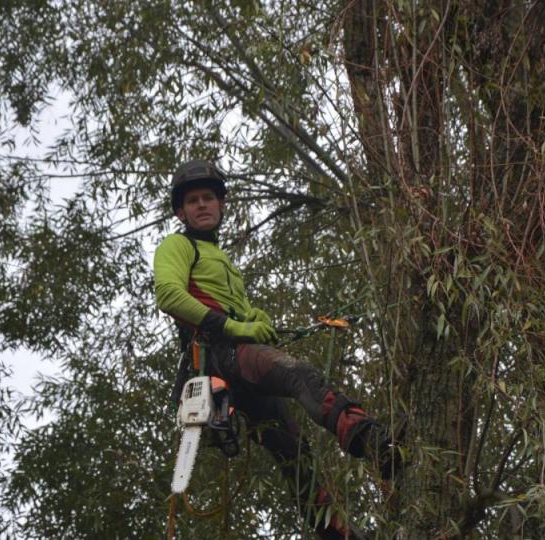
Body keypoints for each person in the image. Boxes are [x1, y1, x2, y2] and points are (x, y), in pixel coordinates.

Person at [154, 160, 397, 540]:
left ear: (220, 205)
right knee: (299, 375)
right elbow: (169, 294)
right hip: (219, 355)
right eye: (193, 200)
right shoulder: (178, 245)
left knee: (295, 456)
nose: (201, 205)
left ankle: (336, 534)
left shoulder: (222, 261)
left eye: (208, 198)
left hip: (238, 362)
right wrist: (236, 326)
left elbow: (236, 309)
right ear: (180, 211)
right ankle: (369, 439)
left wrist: (256, 317)